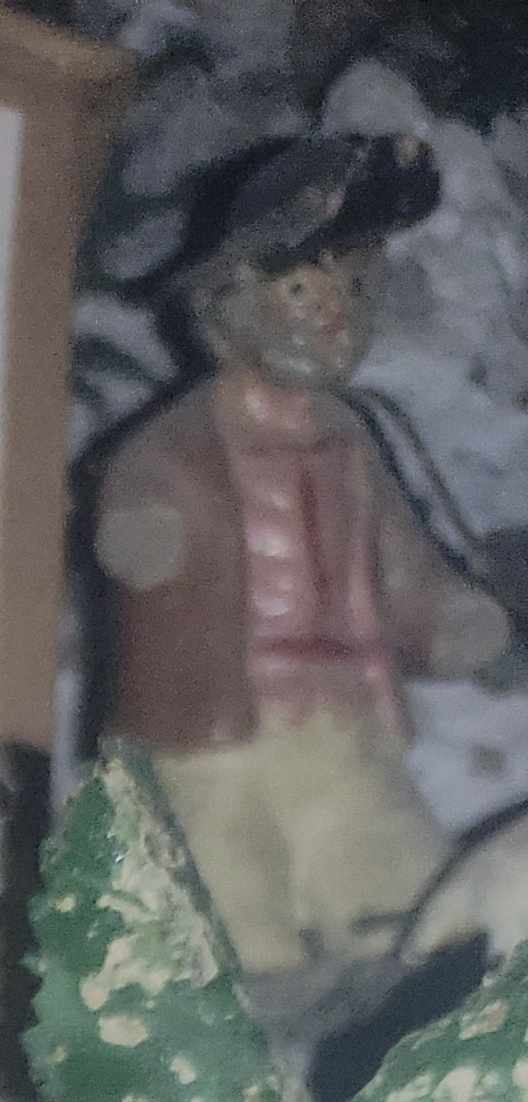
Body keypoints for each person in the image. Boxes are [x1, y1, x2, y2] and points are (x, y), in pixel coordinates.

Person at [96, 133, 512, 985]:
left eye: (354, 287)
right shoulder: (182, 441)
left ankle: (392, 1009)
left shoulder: (349, 440)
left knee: (402, 906)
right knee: (230, 919)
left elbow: (397, 555)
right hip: (214, 739)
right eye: (299, 289)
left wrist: (443, 615)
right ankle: (245, 1007)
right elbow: (139, 491)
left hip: (345, 729)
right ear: (226, 300)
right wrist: (143, 536)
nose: (334, 313)